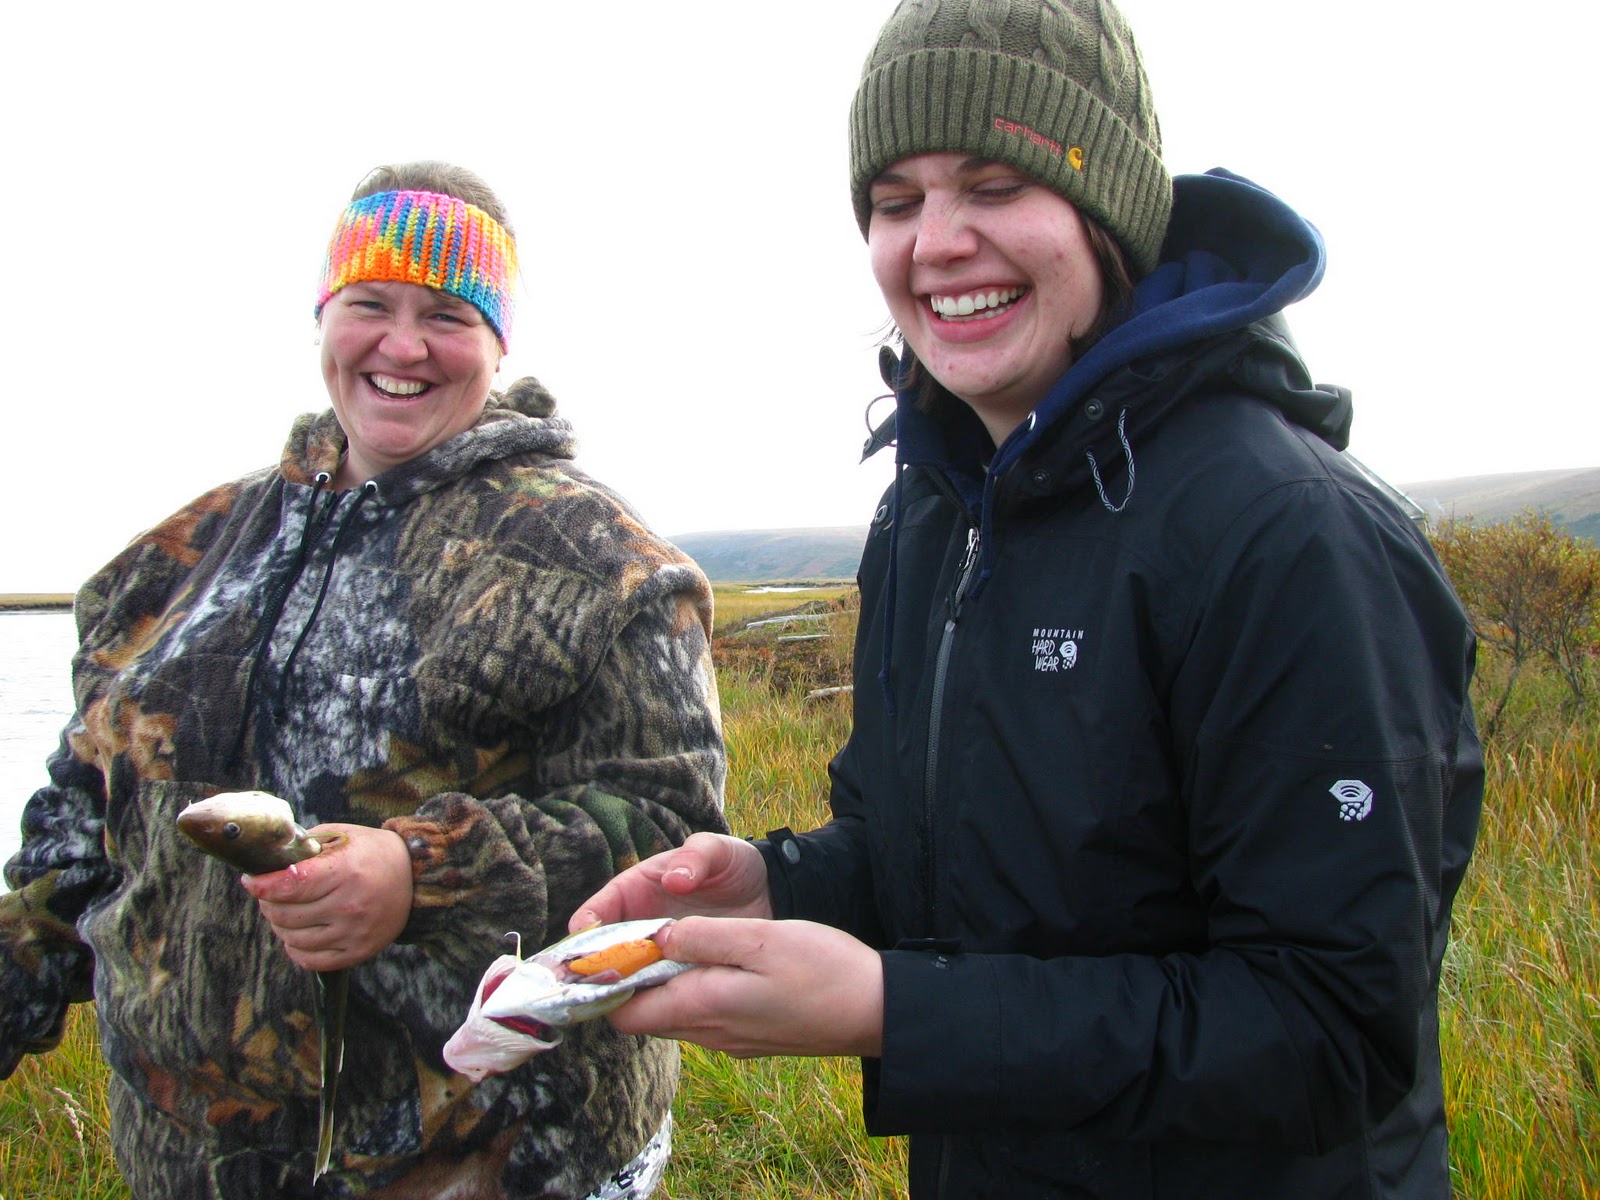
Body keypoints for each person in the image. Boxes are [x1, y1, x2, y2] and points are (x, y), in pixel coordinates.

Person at [570, 2, 1484, 1195]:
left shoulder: (1286, 534)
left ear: (1106, 211)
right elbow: (936, 857)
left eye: (995, 185)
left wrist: (899, 1010)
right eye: (894, 201)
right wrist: (782, 884)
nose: (936, 243)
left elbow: (1331, 1031)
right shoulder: (928, 512)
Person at [0, 161, 727, 1199]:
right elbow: (76, 840)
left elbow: (673, 842)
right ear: (323, 318)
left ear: (497, 343)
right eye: (370, 304)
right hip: (184, 1166)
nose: (403, 345)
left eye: (448, 314)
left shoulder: (601, 561)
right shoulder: (169, 562)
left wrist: (421, 873)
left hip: (503, 1167)